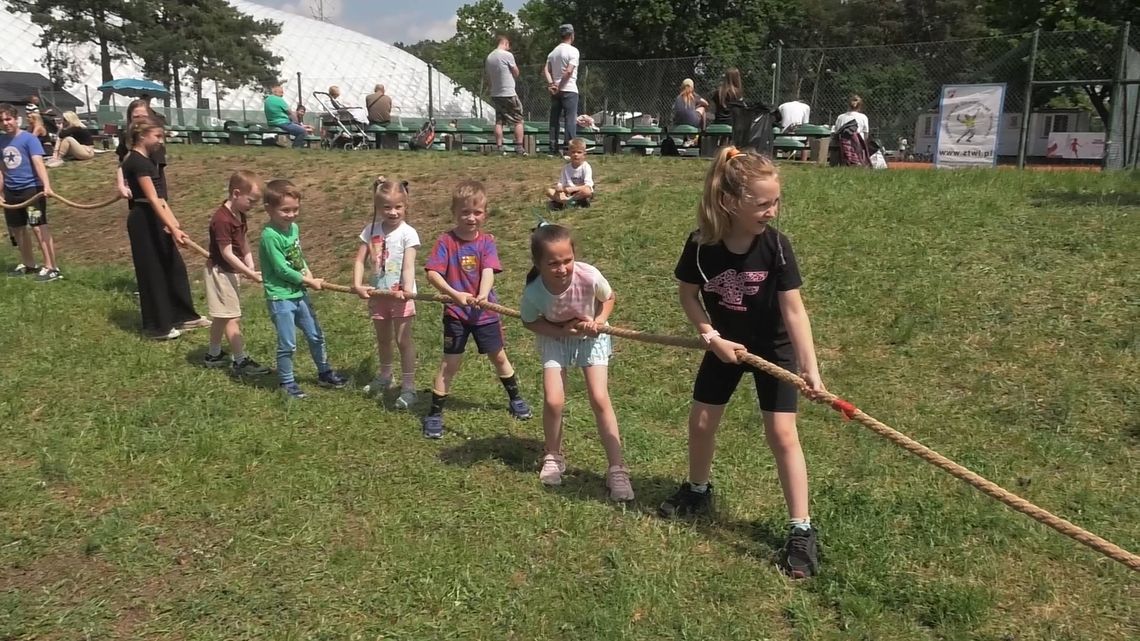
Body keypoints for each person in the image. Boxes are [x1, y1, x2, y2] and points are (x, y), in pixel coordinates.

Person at [659, 147, 826, 580]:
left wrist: (809, 367)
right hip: (724, 347)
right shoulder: (701, 247)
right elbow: (688, 295)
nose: (773, 211)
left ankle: (801, 529)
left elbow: (794, 310)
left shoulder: (775, 247)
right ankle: (697, 491)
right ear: (730, 202)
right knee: (701, 421)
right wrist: (709, 335)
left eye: (776, 202)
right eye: (763, 203)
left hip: (774, 350)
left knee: (782, 433)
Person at [520, 224, 633, 501]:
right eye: (553, 263)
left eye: (567, 260)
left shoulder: (588, 276)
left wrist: (599, 321)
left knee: (598, 397)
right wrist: (560, 332)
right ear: (539, 264)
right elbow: (529, 321)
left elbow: (608, 298)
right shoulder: (534, 292)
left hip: (590, 339)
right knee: (554, 400)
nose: (562, 268)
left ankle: (617, 469)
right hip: (555, 339)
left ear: (574, 256)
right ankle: (553, 456)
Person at [421, 179, 533, 439]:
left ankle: (515, 398)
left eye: (477, 212)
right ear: (454, 212)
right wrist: (455, 294)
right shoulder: (445, 242)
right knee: (450, 363)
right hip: (456, 315)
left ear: (485, 213)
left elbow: (487, 271)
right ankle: (435, 413)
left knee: (499, 357)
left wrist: (482, 295)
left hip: (485, 314)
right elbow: (432, 274)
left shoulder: (486, 243)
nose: (471, 218)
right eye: (465, 212)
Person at [119, 116, 209, 339]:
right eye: (157, 136)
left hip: (156, 218)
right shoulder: (136, 161)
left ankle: (183, 315)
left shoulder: (149, 161)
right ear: (142, 136)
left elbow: (160, 199)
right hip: (143, 220)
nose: (161, 140)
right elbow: (151, 198)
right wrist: (171, 225)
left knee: (173, 266)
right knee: (152, 271)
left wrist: (173, 224)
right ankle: (157, 326)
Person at [258, 179, 349, 398]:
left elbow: (297, 258)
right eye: (285, 210)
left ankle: (324, 372)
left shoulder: (294, 228)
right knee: (288, 343)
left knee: (316, 335)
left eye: (295, 209)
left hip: (300, 293)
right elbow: (281, 269)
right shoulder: (269, 236)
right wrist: (308, 281)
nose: (291, 215)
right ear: (269, 209)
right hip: (280, 297)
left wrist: (308, 273)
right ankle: (287, 383)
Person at [352, 177, 421, 410]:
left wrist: (407, 289)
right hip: (377, 295)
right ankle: (385, 375)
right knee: (383, 339)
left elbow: (409, 265)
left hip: (400, 297)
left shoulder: (408, 233)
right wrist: (358, 284)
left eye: (398, 207)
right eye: (387, 207)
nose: (393, 212)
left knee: (403, 340)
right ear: (377, 207)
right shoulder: (370, 231)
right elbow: (360, 260)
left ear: (405, 206)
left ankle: (409, 386)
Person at [203, 170, 270, 376]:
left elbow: (243, 241)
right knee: (231, 317)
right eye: (251, 201)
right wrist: (248, 273)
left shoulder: (239, 214)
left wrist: (250, 266)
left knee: (222, 316)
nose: (253, 206)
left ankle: (213, 355)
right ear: (236, 193)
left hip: (230, 271)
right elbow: (227, 253)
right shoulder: (222, 220)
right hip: (220, 272)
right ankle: (240, 360)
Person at [0, 103, 60, 281]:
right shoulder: (1, 141)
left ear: (16, 119)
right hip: (12, 193)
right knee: (17, 229)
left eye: (8, 119)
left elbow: (38, 164)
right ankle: (29, 264)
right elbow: (1, 169)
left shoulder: (29, 139)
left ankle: (52, 267)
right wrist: (1, 192)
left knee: (38, 228)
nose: (6, 123)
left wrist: (46, 186)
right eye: (2, 120)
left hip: (31, 191)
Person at [116, 99, 165, 200]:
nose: (140, 120)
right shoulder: (126, 138)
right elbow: (122, 163)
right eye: (136, 117)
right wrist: (121, 185)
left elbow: (156, 169)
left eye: (144, 116)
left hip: (155, 191)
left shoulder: (154, 138)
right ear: (130, 118)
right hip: (136, 191)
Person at [543, 24, 580, 156]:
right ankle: (568, 149)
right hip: (569, 89)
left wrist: (552, 84)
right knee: (570, 119)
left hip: (555, 91)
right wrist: (560, 85)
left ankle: (553, 148)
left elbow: (546, 70)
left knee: (555, 119)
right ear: (571, 35)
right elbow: (569, 71)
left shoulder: (553, 52)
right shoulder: (573, 51)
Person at [486, 34, 526, 155]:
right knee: (518, 119)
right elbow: (516, 72)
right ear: (505, 43)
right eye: (508, 45)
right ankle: (519, 147)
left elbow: (488, 76)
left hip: (496, 93)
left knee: (499, 121)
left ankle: (499, 147)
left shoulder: (489, 57)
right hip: (508, 92)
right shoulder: (507, 55)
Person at [545, 138, 593, 208]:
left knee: (587, 191)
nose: (576, 155)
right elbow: (561, 182)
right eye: (573, 152)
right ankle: (569, 202)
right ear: (569, 153)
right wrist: (559, 187)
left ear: (584, 154)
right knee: (549, 191)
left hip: (579, 191)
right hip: (567, 192)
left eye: (579, 152)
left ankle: (566, 202)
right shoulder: (566, 168)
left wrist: (573, 189)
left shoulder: (586, 167)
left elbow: (588, 185)